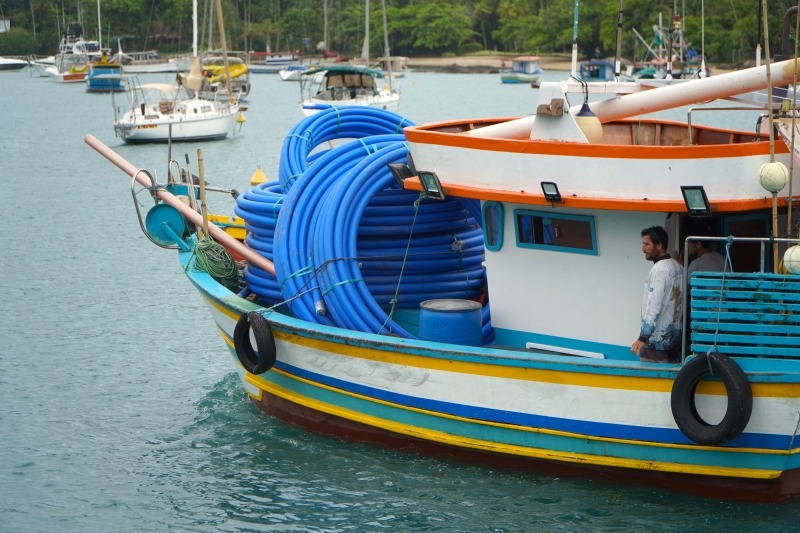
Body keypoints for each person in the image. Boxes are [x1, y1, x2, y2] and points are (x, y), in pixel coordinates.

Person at [631, 226, 683, 363]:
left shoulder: (659, 270)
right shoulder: (678, 267)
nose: (643, 248)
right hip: (674, 338)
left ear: (659, 245)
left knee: (651, 380)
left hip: (656, 341)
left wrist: (643, 337)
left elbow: (654, 306)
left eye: (646, 244)